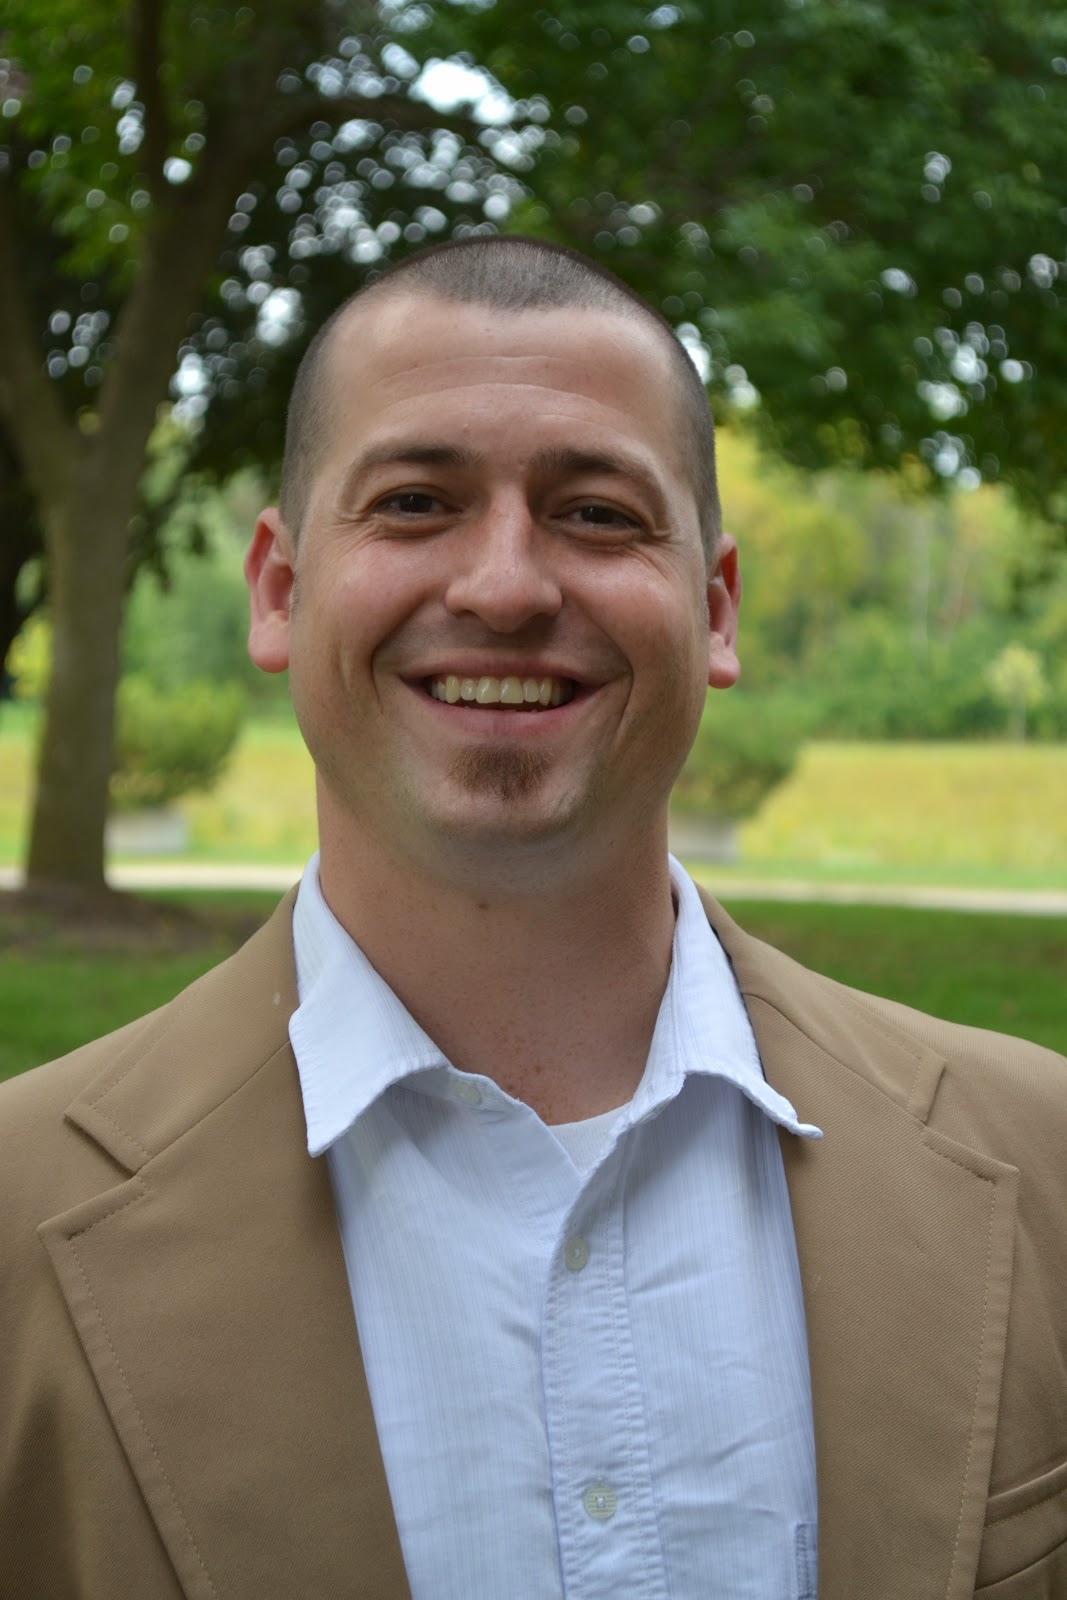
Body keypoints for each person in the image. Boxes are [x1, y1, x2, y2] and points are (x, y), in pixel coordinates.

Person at [1, 237, 1064, 1600]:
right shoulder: (19, 1223)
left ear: (715, 609)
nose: (504, 587)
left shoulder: (1045, 1166)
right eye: (414, 502)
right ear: (278, 590)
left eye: (598, 514)